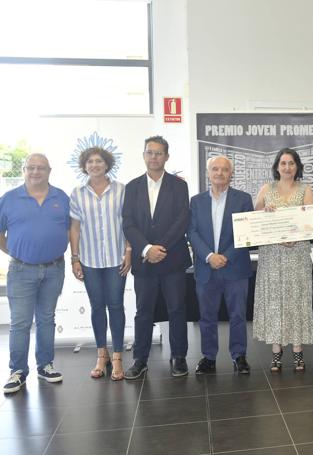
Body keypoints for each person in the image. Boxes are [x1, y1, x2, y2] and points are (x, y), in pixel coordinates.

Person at [122, 136, 191, 379]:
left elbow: (182, 220)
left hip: (172, 259)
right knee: (144, 312)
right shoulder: (131, 187)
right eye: (150, 152)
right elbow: (128, 223)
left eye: (159, 153)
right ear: (143, 155)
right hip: (144, 261)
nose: (154, 157)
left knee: (177, 310)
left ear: (167, 157)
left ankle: (179, 357)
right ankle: (140, 359)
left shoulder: (179, 186)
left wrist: (159, 248)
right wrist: (145, 249)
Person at [0, 154, 69, 394]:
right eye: (31, 167)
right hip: (21, 270)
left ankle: (45, 365)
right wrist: (18, 251)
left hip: (54, 269)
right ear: (24, 170)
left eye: (41, 168)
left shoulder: (61, 197)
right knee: (20, 323)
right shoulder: (9, 199)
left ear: (49, 171)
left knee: (46, 319)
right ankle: (18, 371)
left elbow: (71, 229)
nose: (36, 172)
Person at [69, 147, 131, 380]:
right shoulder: (77, 193)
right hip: (90, 260)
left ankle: (117, 357)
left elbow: (128, 223)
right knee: (97, 307)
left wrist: (129, 251)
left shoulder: (121, 190)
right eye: (90, 162)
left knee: (116, 306)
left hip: (116, 258)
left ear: (107, 165)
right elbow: (74, 228)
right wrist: (75, 258)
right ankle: (101, 355)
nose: (94, 165)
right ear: (84, 166)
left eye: (99, 161)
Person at [188, 156, 254, 374]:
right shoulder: (196, 201)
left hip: (234, 267)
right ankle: (208, 357)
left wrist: (225, 256)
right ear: (208, 173)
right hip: (206, 268)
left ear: (231, 174)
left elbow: (246, 232)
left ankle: (239, 356)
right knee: (207, 316)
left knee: (237, 315)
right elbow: (192, 232)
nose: (219, 173)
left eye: (224, 170)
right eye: (215, 169)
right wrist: (209, 256)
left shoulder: (243, 199)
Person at [253, 148, 313, 371]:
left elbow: (310, 222)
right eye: (283, 163)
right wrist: (263, 210)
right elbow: (254, 219)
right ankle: (276, 352)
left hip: (296, 253)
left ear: (297, 166)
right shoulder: (266, 189)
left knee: (296, 299)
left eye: (291, 163)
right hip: (272, 255)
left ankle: (298, 351)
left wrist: (293, 238)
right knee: (274, 301)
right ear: (277, 166)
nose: (287, 167)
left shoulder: (305, 189)